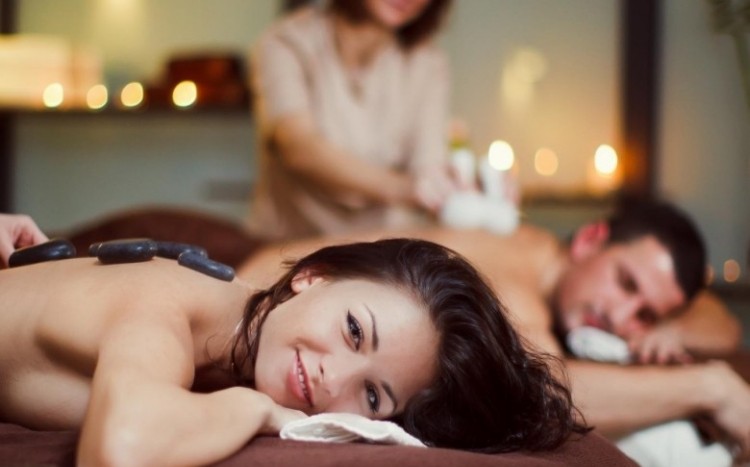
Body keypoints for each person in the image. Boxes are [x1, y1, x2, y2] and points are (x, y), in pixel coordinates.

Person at [238, 198, 750, 459]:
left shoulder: (540, 257)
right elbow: (555, 393)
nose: (621, 317)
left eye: (645, 313)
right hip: (263, 299)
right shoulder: (508, 281)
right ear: (590, 239)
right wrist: (712, 388)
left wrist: (670, 332)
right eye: (625, 282)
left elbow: (722, 323)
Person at [0, 238, 587, 465]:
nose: (335, 380)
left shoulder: (228, 337)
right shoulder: (168, 304)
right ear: (312, 276)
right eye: (354, 330)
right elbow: (119, 452)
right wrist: (254, 409)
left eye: (373, 395)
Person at [247, 0, 461, 240]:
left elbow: (429, 164)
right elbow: (299, 148)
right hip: (292, 241)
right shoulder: (286, 43)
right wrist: (406, 189)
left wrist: (447, 187)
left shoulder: (428, 62)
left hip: (385, 243)